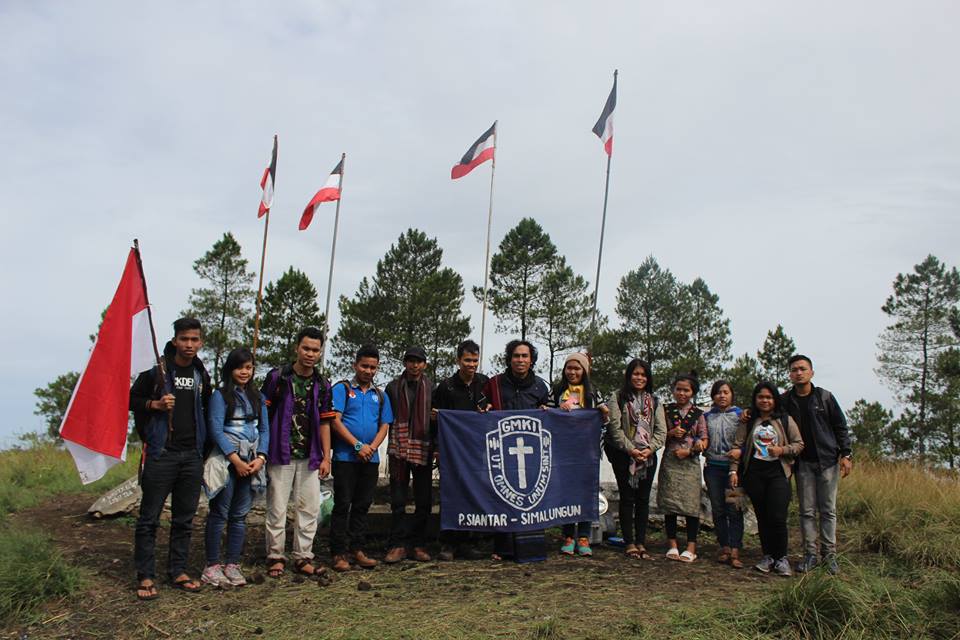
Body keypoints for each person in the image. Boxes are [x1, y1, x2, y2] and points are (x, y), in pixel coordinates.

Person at [129, 317, 211, 600]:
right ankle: (146, 575)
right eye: (184, 339)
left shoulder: (201, 374)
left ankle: (177, 570)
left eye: (195, 339)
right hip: (162, 453)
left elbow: (206, 410)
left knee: (184, 519)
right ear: (175, 340)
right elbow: (131, 400)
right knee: (149, 518)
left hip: (192, 455)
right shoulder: (157, 372)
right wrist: (155, 404)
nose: (189, 345)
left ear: (201, 342)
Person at [261, 327, 335, 579]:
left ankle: (303, 556)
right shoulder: (277, 378)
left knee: (309, 508)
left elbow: (326, 422)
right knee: (277, 507)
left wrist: (326, 456)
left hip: (310, 455)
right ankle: (275, 556)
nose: (310, 354)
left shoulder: (323, 384)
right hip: (279, 452)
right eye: (306, 348)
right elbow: (264, 414)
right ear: (297, 348)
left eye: (315, 350)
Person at [201, 347, 270, 587]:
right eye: (240, 367)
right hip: (227, 461)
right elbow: (215, 429)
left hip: (251, 460)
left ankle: (232, 563)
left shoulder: (258, 398)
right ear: (231, 369)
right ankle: (211, 565)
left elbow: (264, 429)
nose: (244, 372)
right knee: (220, 513)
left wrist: (261, 457)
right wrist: (235, 460)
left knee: (239, 515)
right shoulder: (220, 396)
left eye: (249, 367)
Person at [782, 355, 852, 575]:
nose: (798, 373)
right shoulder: (786, 400)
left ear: (811, 372)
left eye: (803, 369)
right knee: (806, 511)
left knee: (828, 510)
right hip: (802, 463)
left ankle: (829, 555)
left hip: (827, 461)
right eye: (794, 370)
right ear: (790, 374)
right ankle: (810, 555)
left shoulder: (825, 397)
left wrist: (846, 454)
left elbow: (840, 426)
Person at [483, 339, 549, 559]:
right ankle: (502, 547)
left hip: (531, 453)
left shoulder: (540, 386)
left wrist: (545, 411)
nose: (520, 360)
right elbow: (481, 409)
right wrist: (485, 408)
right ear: (509, 359)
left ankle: (530, 546)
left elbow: (549, 418)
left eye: (525, 356)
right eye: (516, 356)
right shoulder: (494, 384)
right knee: (502, 495)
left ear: (531, 360)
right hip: (501, 451)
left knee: (530, 496)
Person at [329, 344, 393, 572]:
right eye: (364, 366)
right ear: (355, 365)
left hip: (370, 460)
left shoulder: (380, 395)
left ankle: (358, 549)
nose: (368, 371)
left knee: (362, 505)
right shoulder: (342, 389)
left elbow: (385, 425)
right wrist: (356, 445)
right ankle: (338, 552)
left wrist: (372, 448)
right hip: (346, 457)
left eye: (373, 367)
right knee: (342, 504)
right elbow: (335, 420)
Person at [730, 381, 804, 577]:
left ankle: (782, 558)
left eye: (769, 397)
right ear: (755, 399)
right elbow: (737, 447)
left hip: (778, 473)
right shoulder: (748, 420)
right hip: (754, 474)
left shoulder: (784, 419)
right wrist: (733, 471)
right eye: (761, 397)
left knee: (778, 517)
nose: (765, 400)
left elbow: (799, 444)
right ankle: (768, 556)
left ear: (775, 399)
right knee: (762, 517)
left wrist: (782, 450)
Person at [432, 339, 490, 561]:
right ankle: (447, 543)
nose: (471, 364)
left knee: (474, 494)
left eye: (475, 360)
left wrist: (489, 408)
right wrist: (437, 446)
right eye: (467, 360)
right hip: (452, 451)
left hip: (477, 451)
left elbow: (493, 410)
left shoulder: (484, 384)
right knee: (450, 494)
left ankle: (469, 542)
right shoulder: (445, 387)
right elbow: (435, 419)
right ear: (458, 360)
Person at [605, 359, 666, 561]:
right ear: (629, 376)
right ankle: (629, 541)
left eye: (643, 374)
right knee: (627, 497)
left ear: (648, 378)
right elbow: (615, 429)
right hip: (624, 456)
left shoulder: (655, 401)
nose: (639, 378)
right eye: (635, 374)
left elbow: (661, 431)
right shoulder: (617, 397)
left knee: (643, 499)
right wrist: (631, 450)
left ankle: (641, 541)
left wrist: (649, 449)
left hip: (647, 458)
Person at [550, 352, 609, 557]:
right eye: (569, 368)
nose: (572, 372)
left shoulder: (593, 393)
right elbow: (546, 415)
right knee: (566, 493)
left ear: (584, 371)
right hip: (564, 452)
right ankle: (567, 536)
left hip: (588, 453)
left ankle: (584, 536)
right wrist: (558, 409)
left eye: (577, 368)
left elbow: (605, 422)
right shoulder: (556, 391)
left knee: (586, 492)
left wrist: (603, 414)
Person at [384, 346, 435, 564]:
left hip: (423, 448)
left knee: (424, 499)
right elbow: (386, 416)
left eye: (419, 361)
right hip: (398, 449)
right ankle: (398, 544)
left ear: (425, 364)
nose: (415, 365)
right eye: (411, 361)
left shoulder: (432, 387)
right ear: (405, 363)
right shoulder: (393, 387)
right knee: (398, 500)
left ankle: (419, 544)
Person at [657, 372, 708, 563]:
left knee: (691, 505)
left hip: (690, 463)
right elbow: (658, 436)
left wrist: (694, 449)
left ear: (692, 392)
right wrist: (671, 433)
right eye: (678, 389)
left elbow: (704, 438)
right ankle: (672, 545)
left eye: (686, 390)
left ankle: (691, 547)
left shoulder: (698, 414)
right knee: (670, 505)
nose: (682, 393)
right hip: (670, 461)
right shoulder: (665, 411)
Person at [702, 380, 744, 568]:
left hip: (733, 469)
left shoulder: (740, 415)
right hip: (712, 467)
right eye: (718, 392)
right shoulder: (706, 416)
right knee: (718, 508)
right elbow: (700, 435)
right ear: (713, 396)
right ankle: (725, 546)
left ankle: (736, 549)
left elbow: (747, 440)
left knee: (734, 508)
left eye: (726, 392)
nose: (722, 396)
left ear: (732, 395)